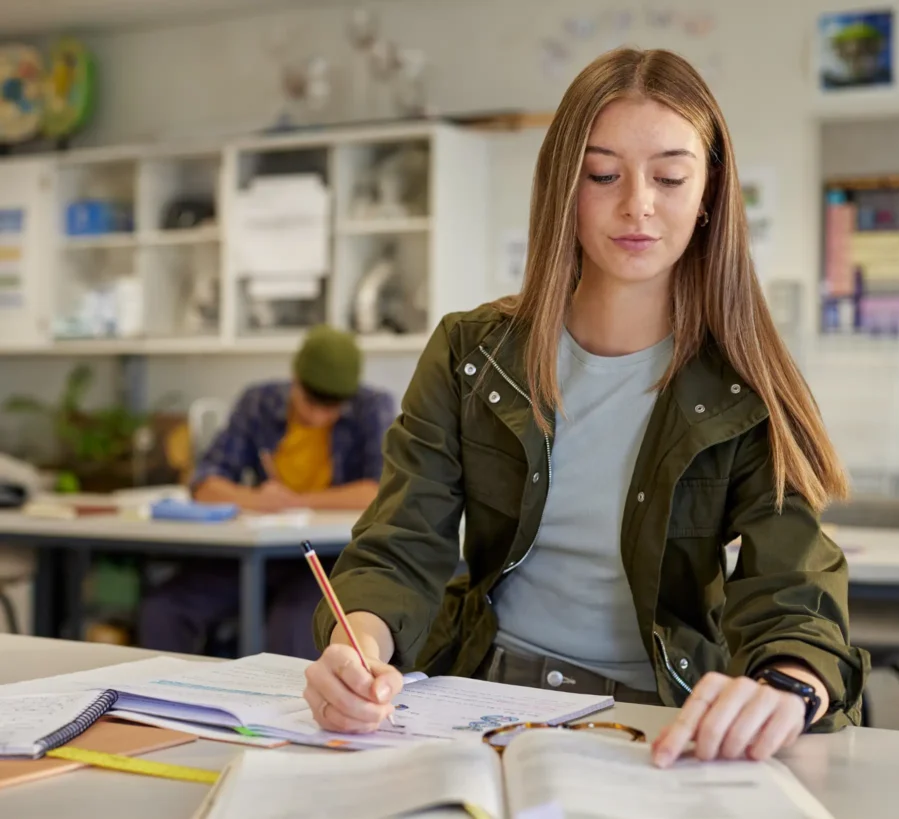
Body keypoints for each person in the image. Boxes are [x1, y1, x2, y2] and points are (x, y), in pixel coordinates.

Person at [302, 48, 869, 765]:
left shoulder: (744, 381)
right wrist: (358, 647)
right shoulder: (470, 353)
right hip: (472, 699)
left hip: (653, 715)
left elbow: (793, 582)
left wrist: (790, 683)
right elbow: (402, 544)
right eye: (603, 175)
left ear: (710, 193)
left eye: (669, 176)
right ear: (562, 188)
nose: (638, 203)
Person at [138, 325, 395, 659]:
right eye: (310, 401)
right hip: (256, 552)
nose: (318, 415)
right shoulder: (258, 402)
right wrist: (257, 500)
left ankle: (284, 711)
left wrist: (296, 501)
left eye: (331, 407)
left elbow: (377, 491)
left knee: (296, 622)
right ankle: (155, 705)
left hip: (327, 559)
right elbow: (205, 484)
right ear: (295, 380)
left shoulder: (373, 408)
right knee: (164, 608)